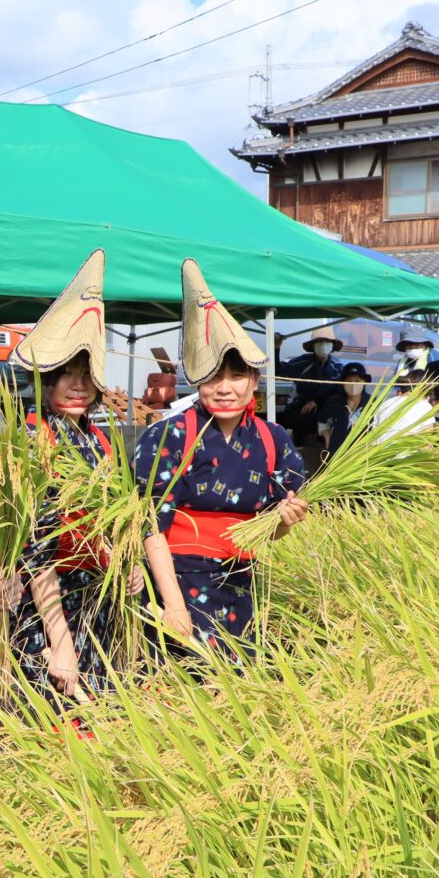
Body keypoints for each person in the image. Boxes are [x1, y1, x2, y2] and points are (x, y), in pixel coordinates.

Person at [136, 259, 307, 655]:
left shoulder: (273, 438)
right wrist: (174, 606)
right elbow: (150, 526)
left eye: (237, 377)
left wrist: (284, 523)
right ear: (197, 382)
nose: (226, 388)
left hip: (242, 582)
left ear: (254, 382)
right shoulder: (170, 435)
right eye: (214, 377)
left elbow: (271, 530)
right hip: (177, 580)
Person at [10, 250, 141, 704]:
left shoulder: (100, 444)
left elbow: (114, 522)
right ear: (44, 379)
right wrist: (60, 641)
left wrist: (126, 564)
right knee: (55, 728)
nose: (78, 384)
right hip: (48, 606)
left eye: (87, 374)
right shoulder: (30, 441)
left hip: (96, 602)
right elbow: (32, 549)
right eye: (66, 373)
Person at [276, 326, 345, 446]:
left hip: (327, 410)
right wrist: (276, 348)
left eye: (326, 342)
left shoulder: (338, 367)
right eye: (319, 343)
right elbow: (279, 371)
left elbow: (339, 390)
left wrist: (317, 402)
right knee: (285, 418)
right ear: (313, 346)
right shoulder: (302, 363)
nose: (323, 345)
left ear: (332, 346)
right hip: (302, 408)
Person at [316, 361, 373, 458]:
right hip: (333, 455)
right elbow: (322, 420)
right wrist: (327, 436)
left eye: (357, 381)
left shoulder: (373, 404)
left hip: (360, 458)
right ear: (343, 383)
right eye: (349, 381)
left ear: (364, 382)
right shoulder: (334, 402)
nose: (353, 384)